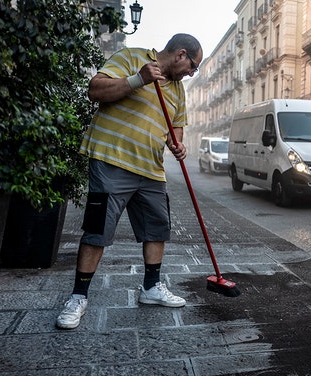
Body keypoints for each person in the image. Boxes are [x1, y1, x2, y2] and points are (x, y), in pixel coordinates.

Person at [56, 34, 203, 330]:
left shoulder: (178, 91)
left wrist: (180, 146)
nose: (191, 73)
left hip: (151, 170)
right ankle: (78, 297)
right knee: (98, 229)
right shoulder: (132, 57)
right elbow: (95, 90)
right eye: (193, 66)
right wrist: (138, 79)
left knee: (156, 228)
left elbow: (176, 130)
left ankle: (151, 288)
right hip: (112, 160)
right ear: (181, 54)